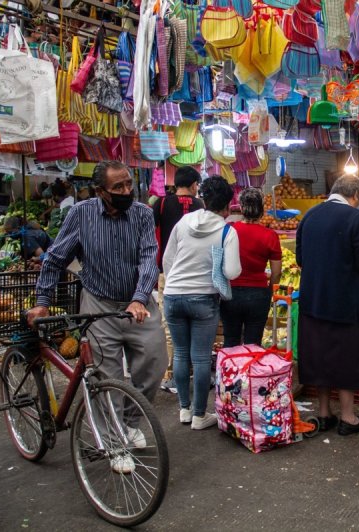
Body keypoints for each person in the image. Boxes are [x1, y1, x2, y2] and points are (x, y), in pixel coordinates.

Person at [28, 161, 167, 471]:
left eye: (129, 184)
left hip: (138, 303)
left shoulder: (143, 214)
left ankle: (129, 422)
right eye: (118, 187)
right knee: (106, 377)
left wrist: (139, 298)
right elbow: (56, 258)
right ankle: (114, 444)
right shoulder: (81, 214)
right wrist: (42, 301)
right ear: (100, 191)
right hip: (98, 304)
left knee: (155, 364)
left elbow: (149, 257)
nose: (127, 191)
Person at [296, 176, 359, 436]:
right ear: (354, 195)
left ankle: (324, 413)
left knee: (320, 356)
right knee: (348, 358)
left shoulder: (309, 216)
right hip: (347, 303)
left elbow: (300, 259)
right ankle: (348, 417)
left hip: (314, 300)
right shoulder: (356, 218)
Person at [162, 176, 241, 430]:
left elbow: (167, 259)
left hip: (173, 295)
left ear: (203, 200)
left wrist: (176, 283)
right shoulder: (227, 231)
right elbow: (232, 272)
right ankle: (199, 415)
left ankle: (184, 410)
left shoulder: (184, 222)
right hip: (203, 299)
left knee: (181, 354)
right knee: (200, 358)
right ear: (227, 205)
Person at [151, 167, 204, 393]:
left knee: (168, 325)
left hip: (168, 271)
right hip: (195, 272)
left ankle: (170, 373)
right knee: (194, 324)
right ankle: (190, 369)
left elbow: (150, 233)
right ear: (193, 185)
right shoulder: (200, 206)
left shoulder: (161, 203)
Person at [220, 188, 281, 347]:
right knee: (253, 344)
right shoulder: (270, 235)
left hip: (230, 293)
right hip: (258, 294)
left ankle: (229, 364)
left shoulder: (229, 230)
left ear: (241, 207)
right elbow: (276, 272)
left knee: (231, 340)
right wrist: (269, 292)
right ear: (262, 209)